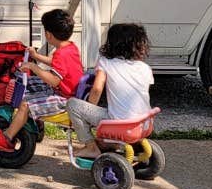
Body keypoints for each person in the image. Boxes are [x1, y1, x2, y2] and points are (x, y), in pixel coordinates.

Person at [0, 8, 84, 153]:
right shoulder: (70, 47)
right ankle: (27, 120)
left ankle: (7, 137)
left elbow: (54, 80)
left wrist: (33, 67)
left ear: (48, 34)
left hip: (65, 98)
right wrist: (35, 56)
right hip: (67, 91)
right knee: (30, 82)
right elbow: (56, 64)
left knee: (25, 105)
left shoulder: (61, 54)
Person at [64, 22, 153, 162]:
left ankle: (91, 146)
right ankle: (116, 144)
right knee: (118, 109)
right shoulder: (145, 68)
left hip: (119, 124)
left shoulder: (106, 62)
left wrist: (89, 107)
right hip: (143, 123)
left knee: (72, 104)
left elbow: (97, 89)